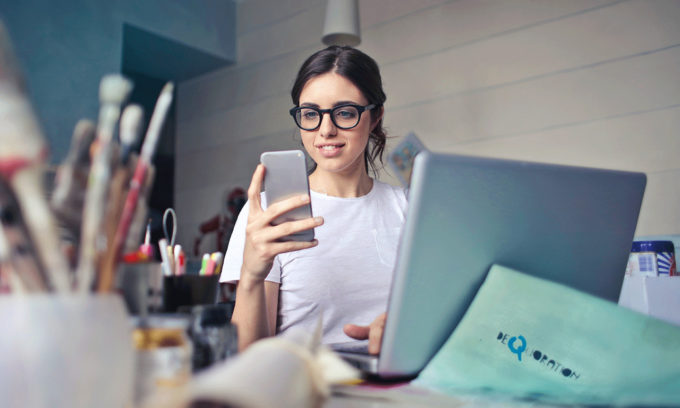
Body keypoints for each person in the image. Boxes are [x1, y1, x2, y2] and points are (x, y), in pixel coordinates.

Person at [220, 45, 407, 353]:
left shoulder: (409, 208)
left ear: (375, 117)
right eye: (311, 114)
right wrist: (252, 275)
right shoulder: (269, 213)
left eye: (345, 112)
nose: (326, 130)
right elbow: (248, 357)